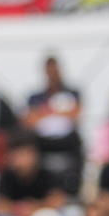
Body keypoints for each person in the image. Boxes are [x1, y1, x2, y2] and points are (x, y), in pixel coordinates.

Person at [26, 57, 84, 193]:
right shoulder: (35, 97)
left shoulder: (73, 93)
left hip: (67, 141)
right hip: (43, 142)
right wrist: (59, 111)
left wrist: (45, 112)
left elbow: (75, 115)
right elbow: (30, 120)